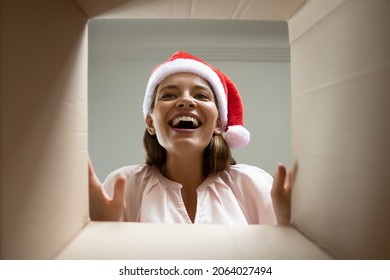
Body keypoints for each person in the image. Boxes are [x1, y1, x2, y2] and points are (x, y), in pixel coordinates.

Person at [89, 51, 294, 225]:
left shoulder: (254, 185)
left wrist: (287, 226)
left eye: (201, 96)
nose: (186, 100)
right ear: (151, 123)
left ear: (218, 124)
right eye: (169, 95)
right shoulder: (124, 186)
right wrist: (100, 230)